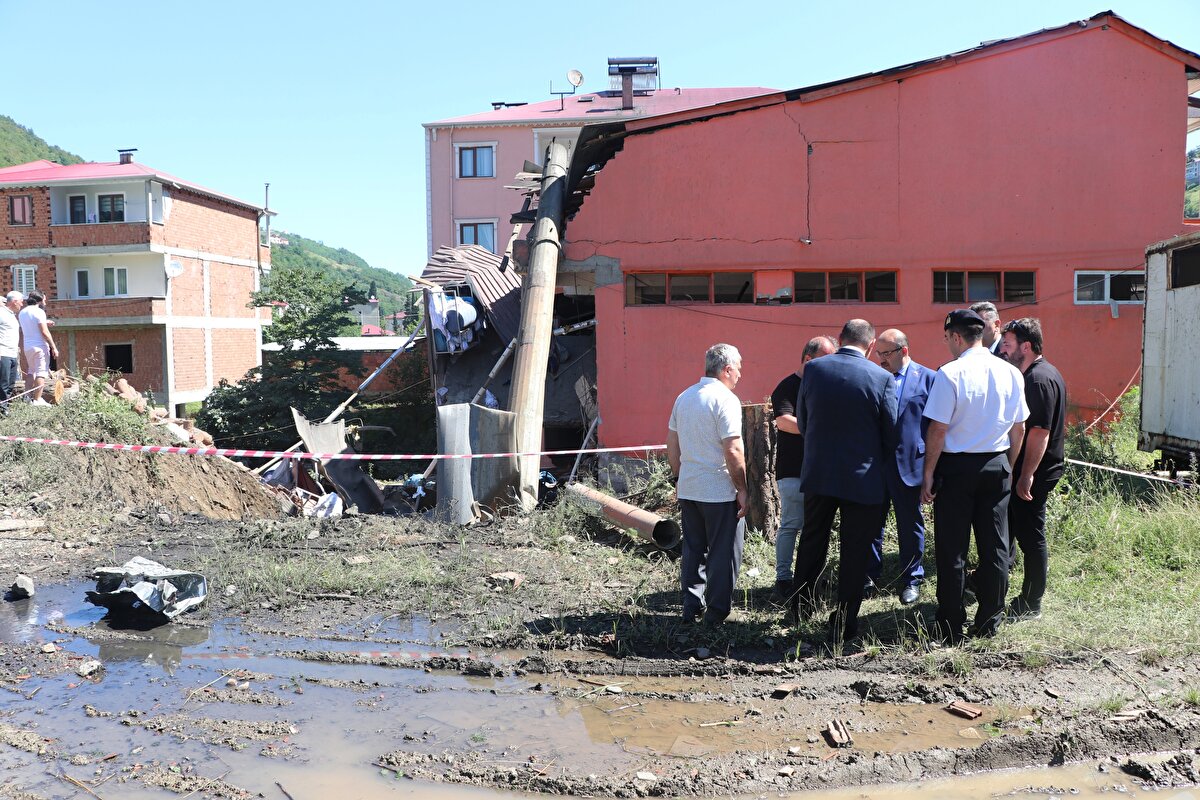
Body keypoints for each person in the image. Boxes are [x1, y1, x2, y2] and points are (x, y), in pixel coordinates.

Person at [921, 309, 1029, 642]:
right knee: (995, 547)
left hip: (956, 468)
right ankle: (989, 621)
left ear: (955, 337)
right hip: (996, 465)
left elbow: (938, 429)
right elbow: (1019, 427)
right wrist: (1007, 463)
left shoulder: (950, 373)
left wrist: (928, 473)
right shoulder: (1010, 372)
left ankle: (950, 623)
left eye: (947, 338)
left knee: (953, 549)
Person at [791, 320, 897, 642]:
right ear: (870, 344)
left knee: (812, 540)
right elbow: (890, 433)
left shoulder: (814, 370)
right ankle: (845, 621)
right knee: (855, 550)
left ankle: (800, 608)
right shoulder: (881, 377)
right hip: (862, 478)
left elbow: (804, 422)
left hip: (820, 472)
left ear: (840, 339)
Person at [667, 343, 748, 624]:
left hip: (690, 487)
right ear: (726, 369)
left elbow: (672, 445)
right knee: (724, 552)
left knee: (693, 550)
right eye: (738, 368)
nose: (740, 374)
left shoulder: (684, 397)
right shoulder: (726, 400)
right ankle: (717, 611)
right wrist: (742, 488)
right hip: (719, 489)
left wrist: (679, 478)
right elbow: (734, 449)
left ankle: (691, 607)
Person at [998, 318, 1066, 621]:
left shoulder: (1038, 379)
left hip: (1034, 473)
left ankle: (1031, 602)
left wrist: (1025, 475)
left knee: (1032, 537)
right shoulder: (1038, 373)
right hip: (1030, 471)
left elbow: (1039, 432)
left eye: (1008, 344)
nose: (1003, 349)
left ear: (1026, 346)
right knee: (1019, 531)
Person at [867, 328, 937, 605]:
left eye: (885, 354)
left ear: (903, 351)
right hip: (876, 463)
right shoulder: (874, 378)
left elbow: (935, 426)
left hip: (911, 464)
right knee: (872, 523)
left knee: (911, 524)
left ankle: (912, 579)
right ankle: (869, 576)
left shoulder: (929, 378)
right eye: (878, 353)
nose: (880, 359)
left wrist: (933, 468)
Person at [769, 335, 837, 605]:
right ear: (808, 360)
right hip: (794, 470)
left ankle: (811, 578)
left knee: (818, 528)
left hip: (823, 471)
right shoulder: (787, 386)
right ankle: (784, 579)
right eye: (825, 359)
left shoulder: (828, 385)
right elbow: (784, 422)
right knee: (791, 525)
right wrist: (818, 430)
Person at [18, 290, 57, 406]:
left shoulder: (22, 312)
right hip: (40, 346)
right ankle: (38, 399)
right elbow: (45, 332)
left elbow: (32, 323)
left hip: (28, 346)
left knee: (31, 371)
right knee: (41, 372)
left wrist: (45, 322)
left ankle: (27, 397)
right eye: (44, 299)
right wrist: (53, 347)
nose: (45, 301)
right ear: (39, 300)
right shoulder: (39, 311)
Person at [0, 291, 21, 411]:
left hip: (12, 354)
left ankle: (5, 408)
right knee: (3, 384)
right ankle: (2, 410)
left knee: (11, 384)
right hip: (3, 353)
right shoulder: (1, 313)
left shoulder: (12, 315)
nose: (22, 304)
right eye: (21, 302)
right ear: (14, 301)